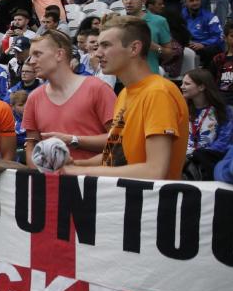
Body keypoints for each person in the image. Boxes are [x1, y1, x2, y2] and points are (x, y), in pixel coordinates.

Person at [64, 16, 188, 180]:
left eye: (106, 45)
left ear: (134, 48)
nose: (97, 53)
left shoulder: (158, 92)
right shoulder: (124, 94)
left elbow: (155, 171)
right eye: (98, 46)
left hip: (150, 202)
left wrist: (79, 172)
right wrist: (76, 165)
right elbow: (115, 157)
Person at [22, 32, 116, 169]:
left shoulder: (97, 89)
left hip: (93, 183)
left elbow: (120, 141)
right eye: (31, 56)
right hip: (51, 184)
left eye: (37, 54)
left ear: (59, 54)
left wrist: (73, 140)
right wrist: (39, 173)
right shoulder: (34, 98)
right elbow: (31, 144)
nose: (31, 61)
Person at [180, 68, 233, 179]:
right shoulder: (181, 108)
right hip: (181, 159)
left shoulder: (223, 111)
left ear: (201, 87)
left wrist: (195, 155)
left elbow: (224, 143)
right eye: (182, 83)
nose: (182, 87)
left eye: (187, 84)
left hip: (207, 161)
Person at [121, 0, 172, 74]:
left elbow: (169, 54)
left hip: (149, 76)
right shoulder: (117, 22)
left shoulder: (159, 21)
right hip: (122, 78)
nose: (129, 1)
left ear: (143, 0)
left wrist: (156, 48)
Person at [181, 0, 224, 68]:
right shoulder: (180, 15)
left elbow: (219, 36)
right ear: (186, 2)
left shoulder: (210, 16)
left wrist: (203, 44)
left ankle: (207, 73)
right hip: (187, 44)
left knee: (211, 50)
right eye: (191, 1)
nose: (195, 3)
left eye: (197, 0)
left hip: (205, 45)